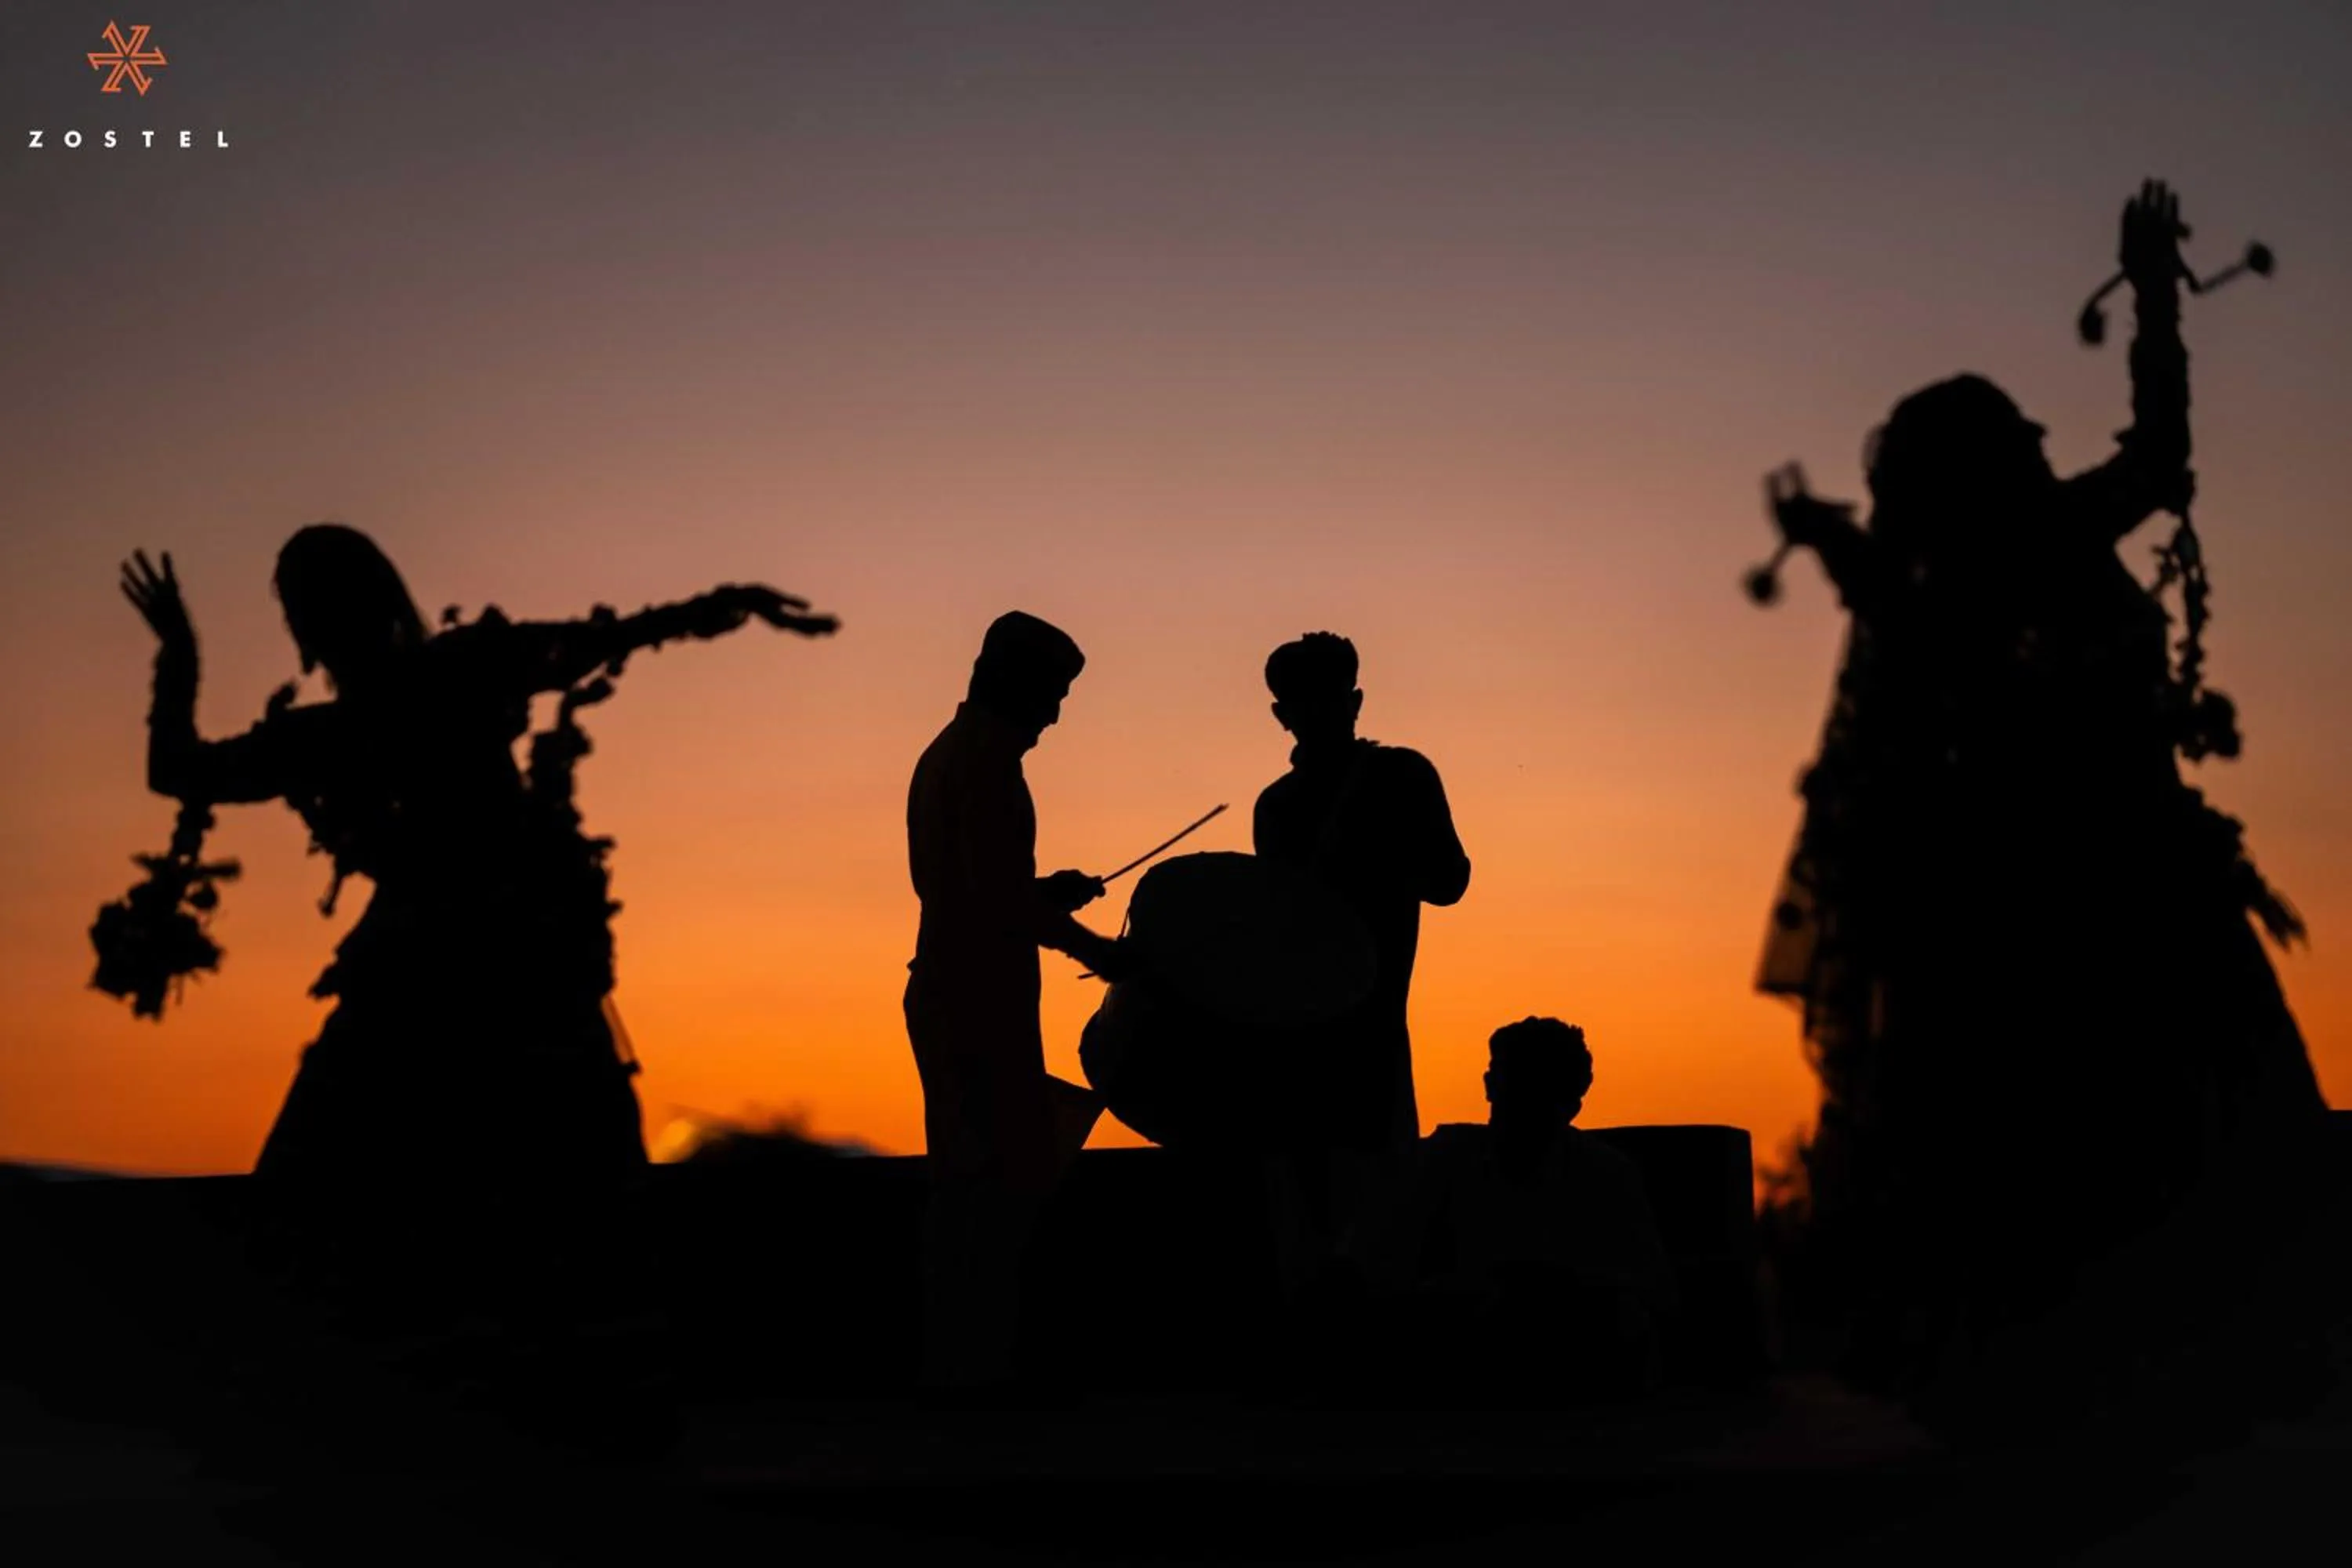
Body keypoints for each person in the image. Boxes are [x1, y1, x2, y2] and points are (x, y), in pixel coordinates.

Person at [1756, 181, 2330, 1417]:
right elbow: (2157, 459)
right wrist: (2158, 294)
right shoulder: (2022, 552)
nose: (2036, 447)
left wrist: (2163, 295)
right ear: (1981, 468)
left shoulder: (1979, 562)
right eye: (2014, 439)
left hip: (2115, 890)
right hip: (2069, 909)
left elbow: (2155, 458)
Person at [118, 527, 837, 1444]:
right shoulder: (354, 722)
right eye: (301, 608)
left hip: (490, 980)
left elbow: (597, 640)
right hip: (462, 978)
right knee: (396, 1192)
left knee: (494, 1194)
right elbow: (179, 772)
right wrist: (176, 654)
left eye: (313, 603)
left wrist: (729, 600)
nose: (312, 623)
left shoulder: (429, 686)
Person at [904, 611, 1125, 1392]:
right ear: (1009, 682)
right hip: (976, 998)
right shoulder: (989, 767)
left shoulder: (949, 755)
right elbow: (996, 904)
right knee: (992, 1192)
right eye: (1052, 692)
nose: (1055, 712)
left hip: (949, 986)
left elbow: (969, 889)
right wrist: (1103, 952)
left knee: (967, 1182)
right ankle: (975, 1368)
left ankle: (960, 1363)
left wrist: (1047, 895)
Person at [1251, 633, 1469, 1284]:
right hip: (1372, 1036)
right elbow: (1450, 882)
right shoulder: (1403, 775)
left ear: (1280, 715)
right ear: (1357, 701)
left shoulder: (1277, 806)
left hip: (1294, 1043)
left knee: (1307, 1224)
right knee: (1381, 1225)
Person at [1346, 1018, 1675, 1402]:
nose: (1515, 1100)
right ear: (1490, 1086)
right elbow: (1377, 1258)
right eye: (1508, 1081)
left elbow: (1655, 1295)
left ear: (1571, 1103)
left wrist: (1557, 1288)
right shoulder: (1444, 1159)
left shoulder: (1607, 1176)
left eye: (1534, 1087)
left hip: (1569, 1343)